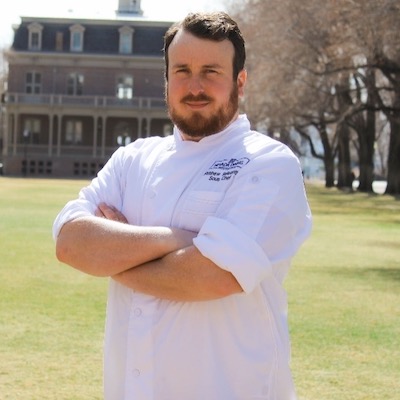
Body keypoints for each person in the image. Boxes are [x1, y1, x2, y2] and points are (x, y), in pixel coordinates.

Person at [53, 11, 312, 400]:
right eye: (182, 71)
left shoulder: (268, 163)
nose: (195, 86)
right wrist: (178, 239)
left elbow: (211, 276)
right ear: (167, 79)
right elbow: (70, 243)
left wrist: (113, 257)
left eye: (211, 71)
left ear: (240, 82)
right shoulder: (133, 160)